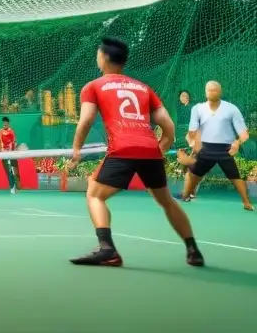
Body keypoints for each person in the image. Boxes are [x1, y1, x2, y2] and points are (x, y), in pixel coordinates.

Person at [68, 37, 203, 267]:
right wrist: (161, 147)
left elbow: (87, 120)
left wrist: (77, 147)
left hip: (123, 149)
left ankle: (107, 249)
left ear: (103, 58)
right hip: (149, 150)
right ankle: (193, 250)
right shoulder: (143, 87)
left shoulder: (93, 86)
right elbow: (167, 126)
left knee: (94, 194)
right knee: (166, 201)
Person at [177, 81, 252, 210]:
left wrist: (237, 143)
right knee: (193, 173)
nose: (212, 92)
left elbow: (244, 133)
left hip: (225, 150)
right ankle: (186, 195)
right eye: (209, 90)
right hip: (206, 149)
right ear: (205, 92)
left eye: (215, 90)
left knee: (235, 177)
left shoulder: (231, 108)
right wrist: (192, 142)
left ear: (220, 92)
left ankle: (246, 203)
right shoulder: (197, 109)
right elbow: (192, 131)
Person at [0, 116, 20, 193]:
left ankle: (16, 186)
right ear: (3, 123)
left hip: (11, 153)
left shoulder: (11, 131)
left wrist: (13, 150)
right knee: (8, 171)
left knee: (14, 170)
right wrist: (1, 150)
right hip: (4, 154)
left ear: (8, 123)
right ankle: (12, 187)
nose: (5, 124)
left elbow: (15, 142)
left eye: (6, 123)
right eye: (4, 123)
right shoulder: (0, 131)